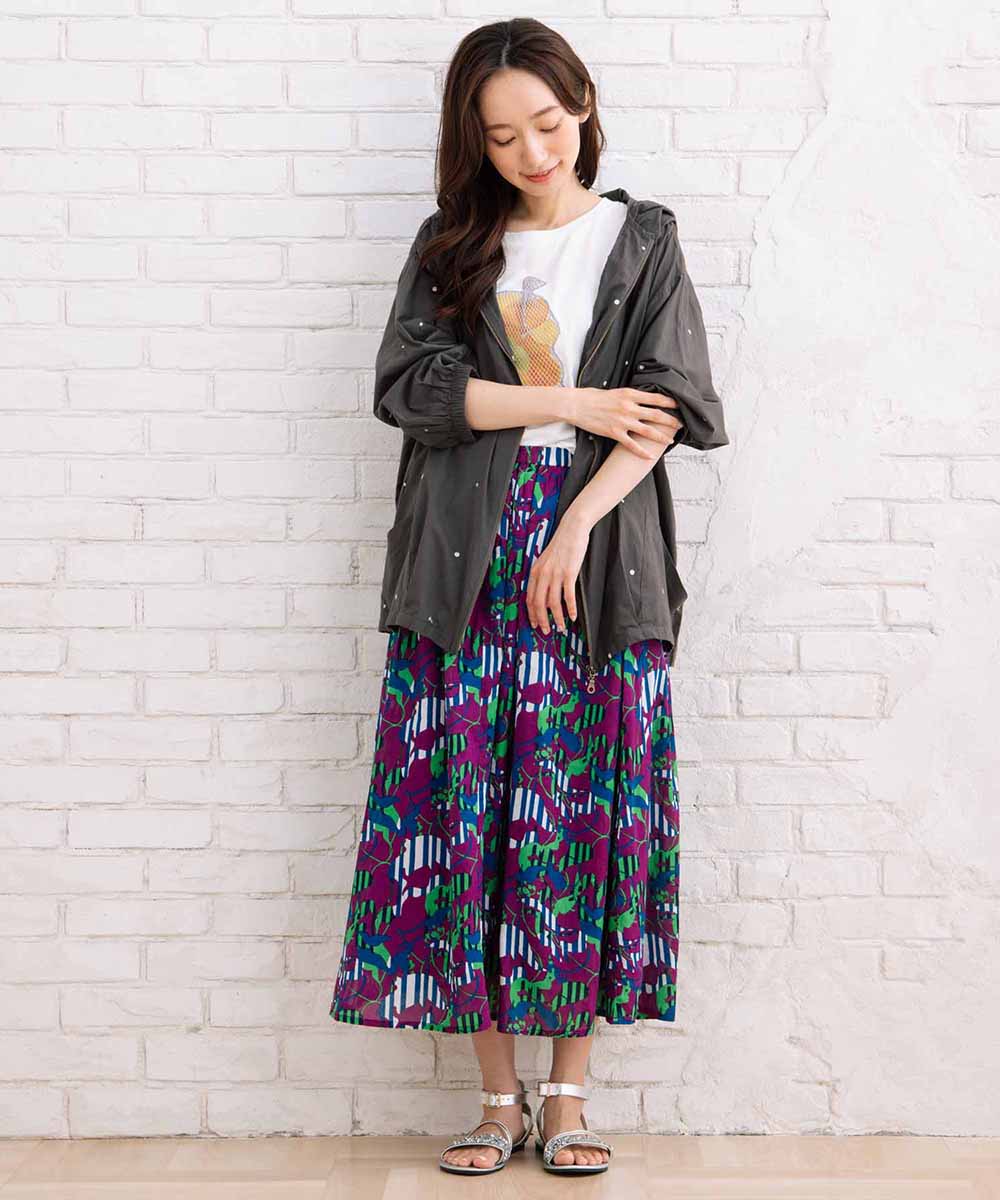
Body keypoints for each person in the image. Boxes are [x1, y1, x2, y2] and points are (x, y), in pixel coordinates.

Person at [330, 17, 728, 1178]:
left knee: (579, 811)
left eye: (546, 125)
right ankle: (495, 1100)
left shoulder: (640, 240)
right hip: (460, 558)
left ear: (583, 106)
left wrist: (573, 526)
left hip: (594, 556)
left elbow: (665, 408)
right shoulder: (452, 246)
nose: (531, 154)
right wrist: (573, 402)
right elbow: (413, 389)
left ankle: (567, 1097)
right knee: (469, 809)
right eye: (502, 137)